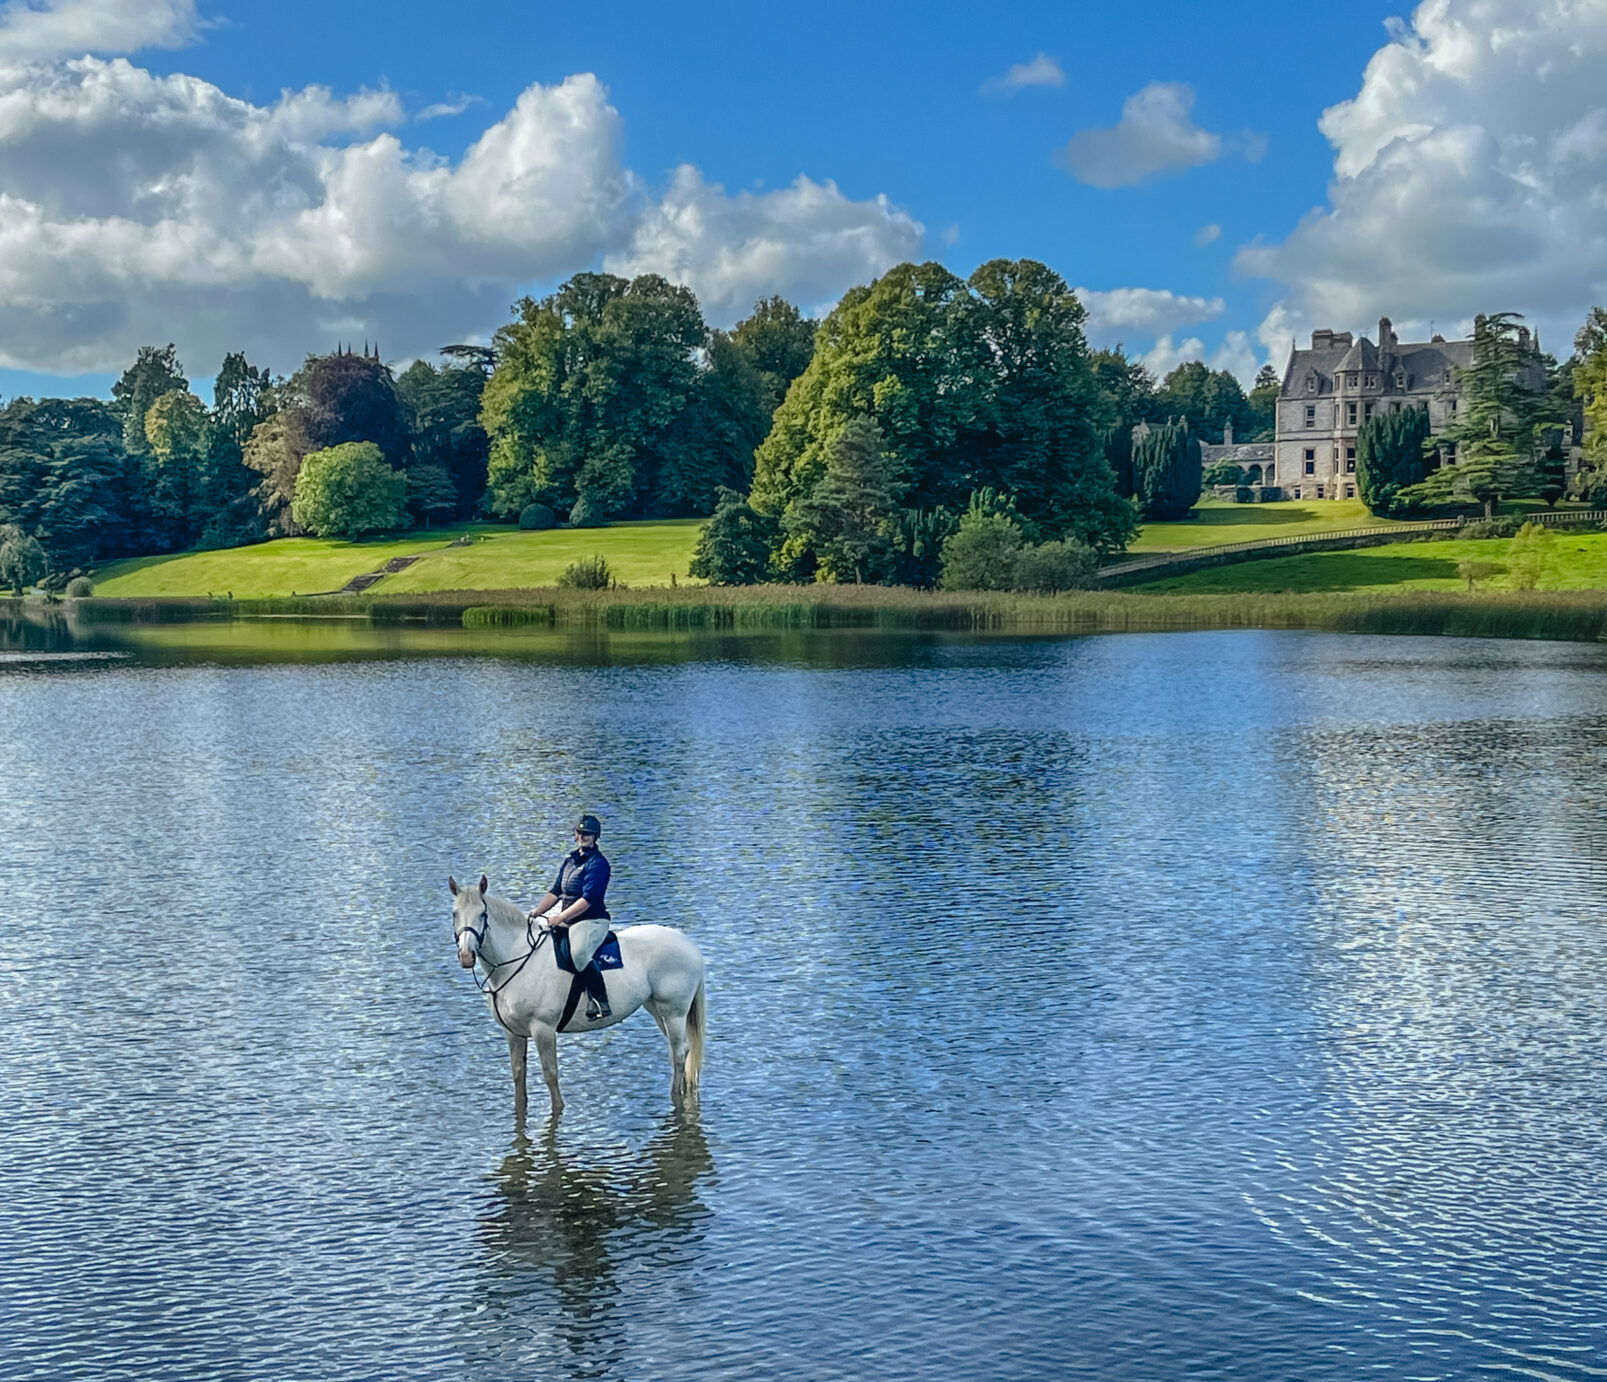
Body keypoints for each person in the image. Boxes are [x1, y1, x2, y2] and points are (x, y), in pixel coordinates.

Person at [526, 814, 613, 1019]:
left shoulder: (598, 864)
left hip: (591, 920)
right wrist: (538, 911)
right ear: (574, 834)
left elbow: (588, 900)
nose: (582, 837)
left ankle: (600, 1000)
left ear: (595, 836)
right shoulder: (569, 862)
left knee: (579, 954)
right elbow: (555, 892)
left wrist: (560, 917)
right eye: (579, 832)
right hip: (568, 919)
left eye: (587, 834)